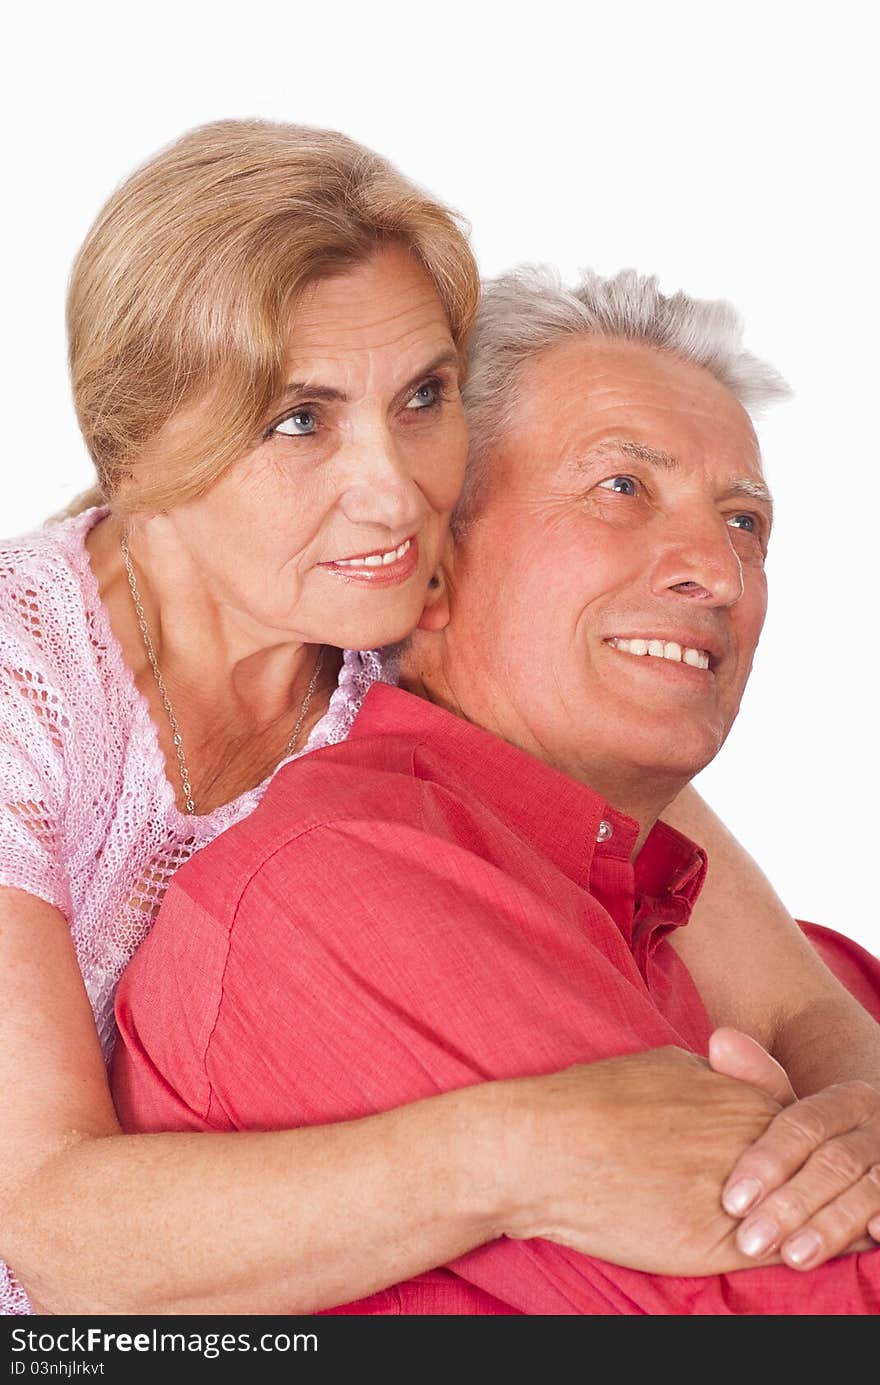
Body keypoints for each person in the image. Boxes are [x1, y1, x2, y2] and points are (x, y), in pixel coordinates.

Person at [0, 118, 860, 1320]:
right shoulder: (22, 676)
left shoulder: (392, 632)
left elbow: (796, 1001)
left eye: (422, 397)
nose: (396, 488)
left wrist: (858, 1121)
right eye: (301, 418)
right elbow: (50, 1231)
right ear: (140, 444)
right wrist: (520, 1152)